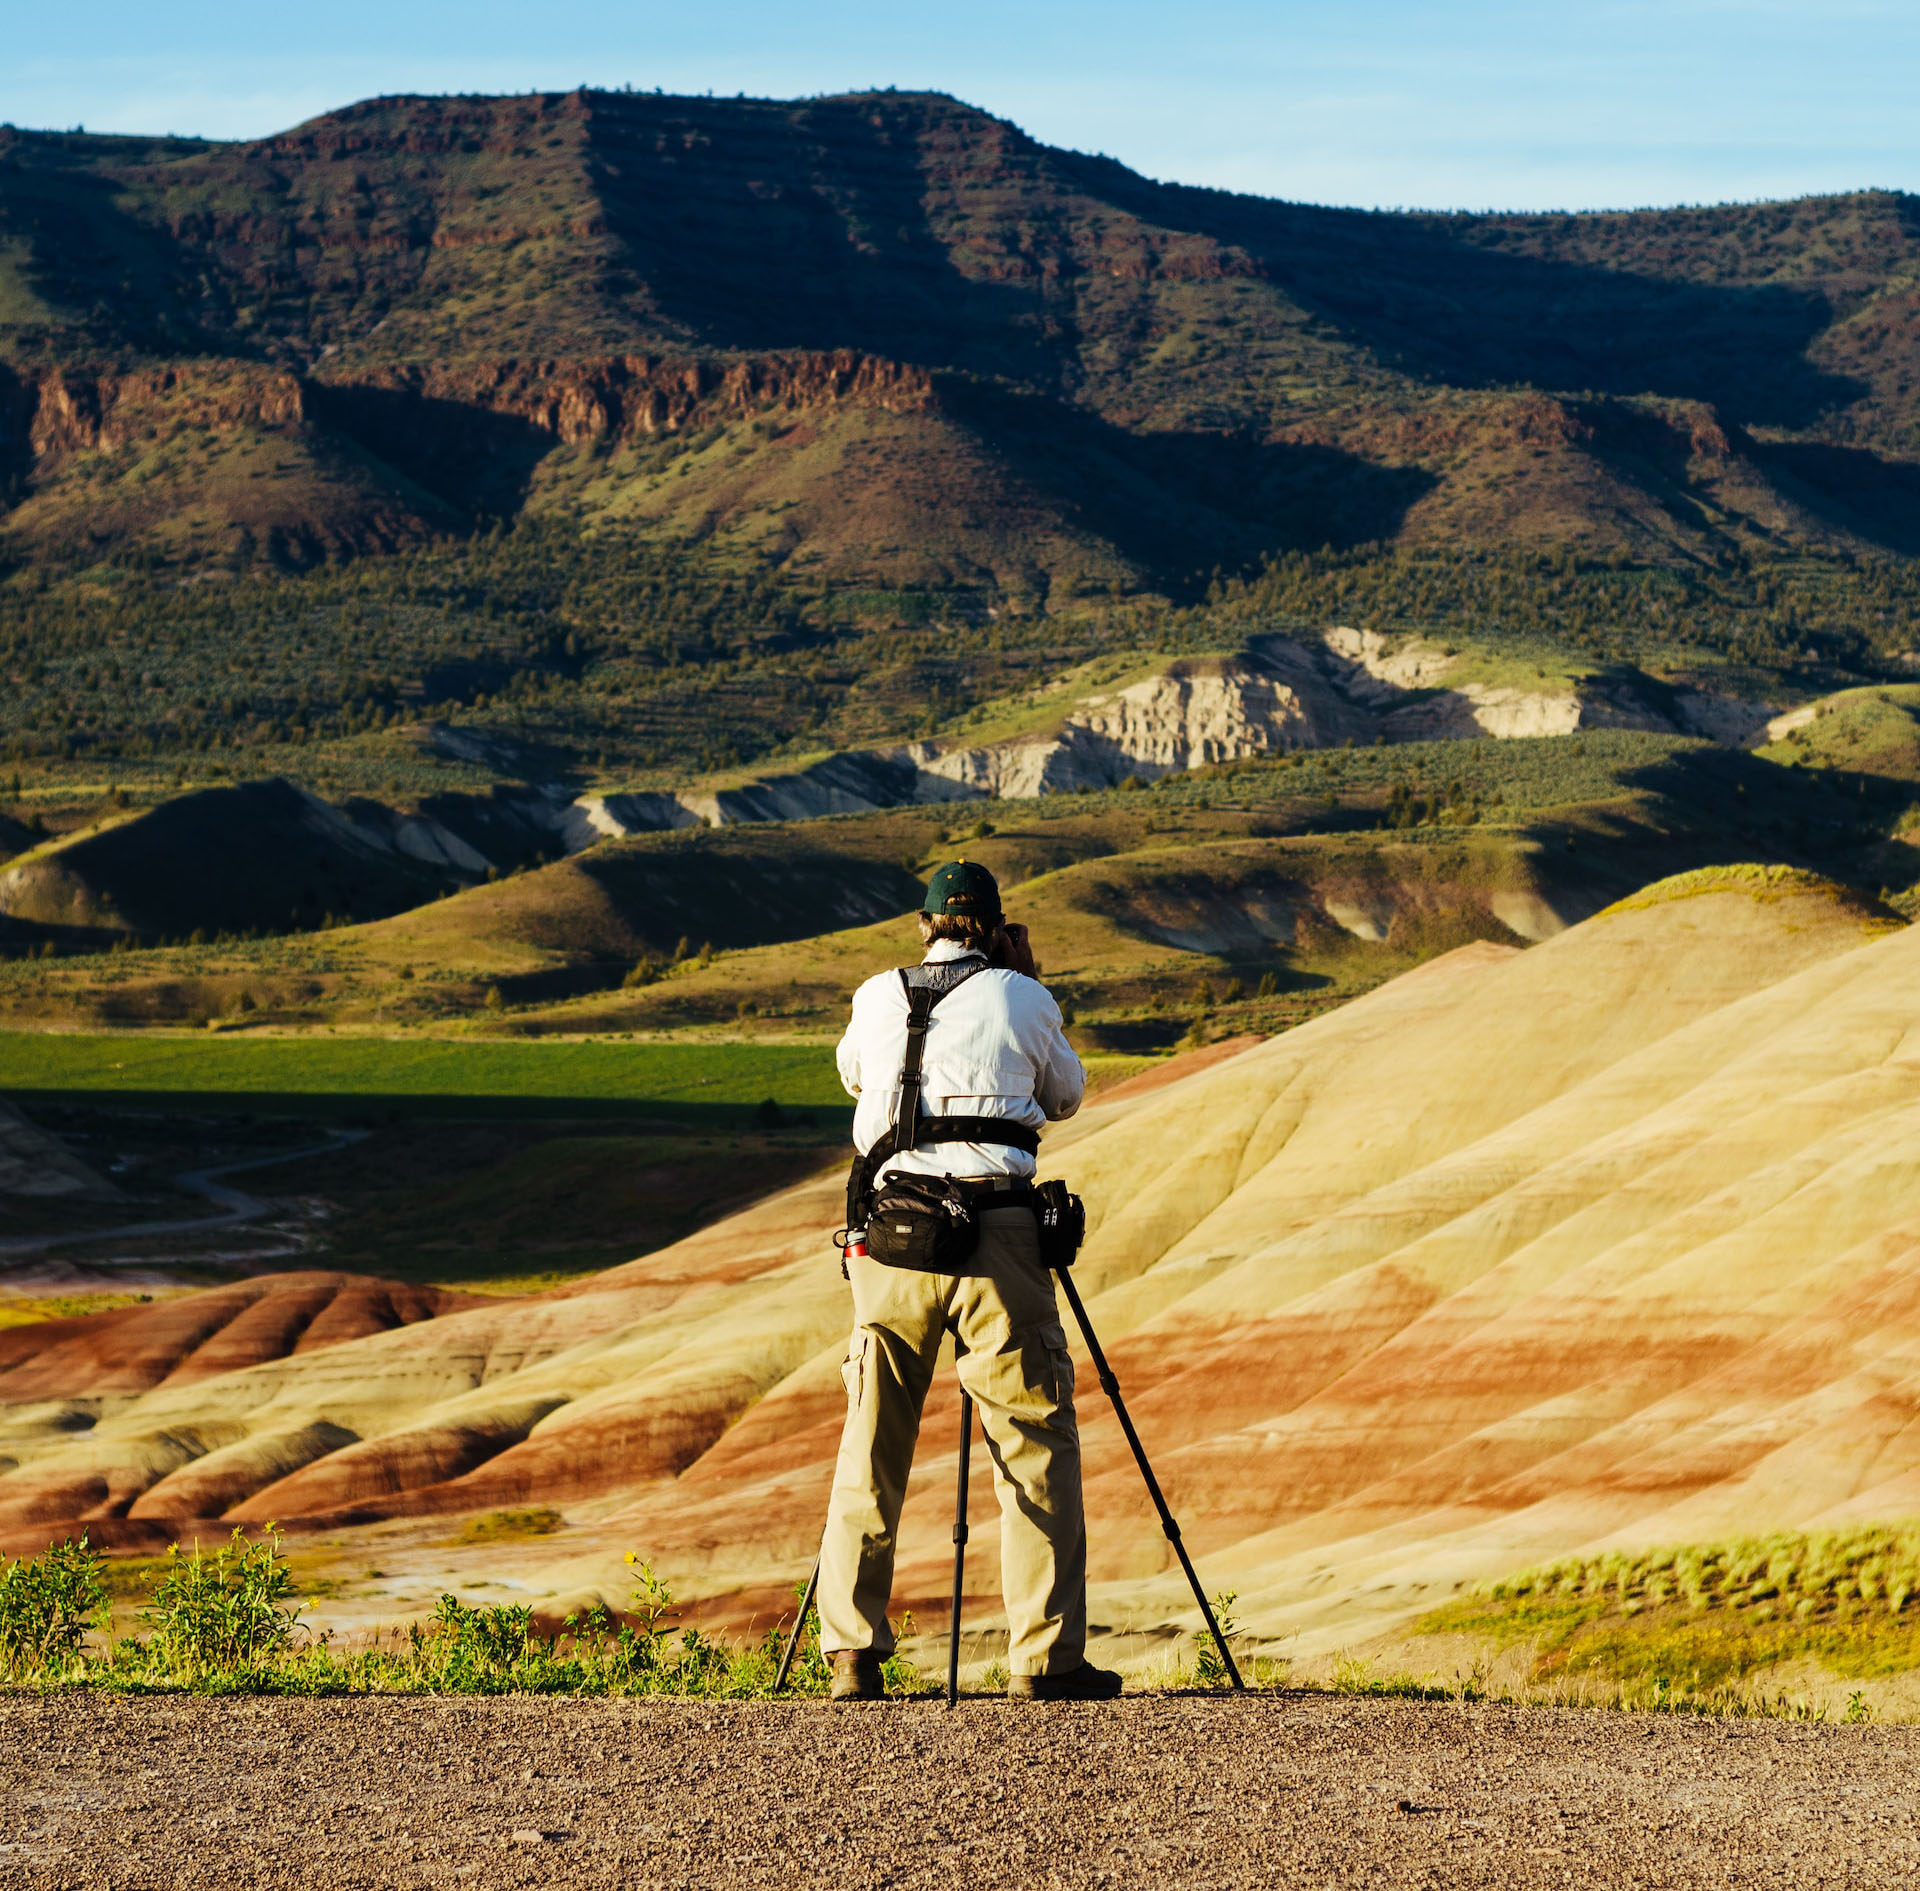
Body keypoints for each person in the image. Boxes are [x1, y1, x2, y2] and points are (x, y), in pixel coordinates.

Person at [818, 857, 1122, 1703]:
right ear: (994, 925)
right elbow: (1065, 1095)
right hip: (997, 1234)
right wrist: (1025, 981)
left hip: (892, 1238)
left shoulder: (879, 992)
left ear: (924, 927)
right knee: (1032, 1441)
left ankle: (851, 1653)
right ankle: (1047, 1659)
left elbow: (854, 1075)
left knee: (872, 1437)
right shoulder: (1022, 994)